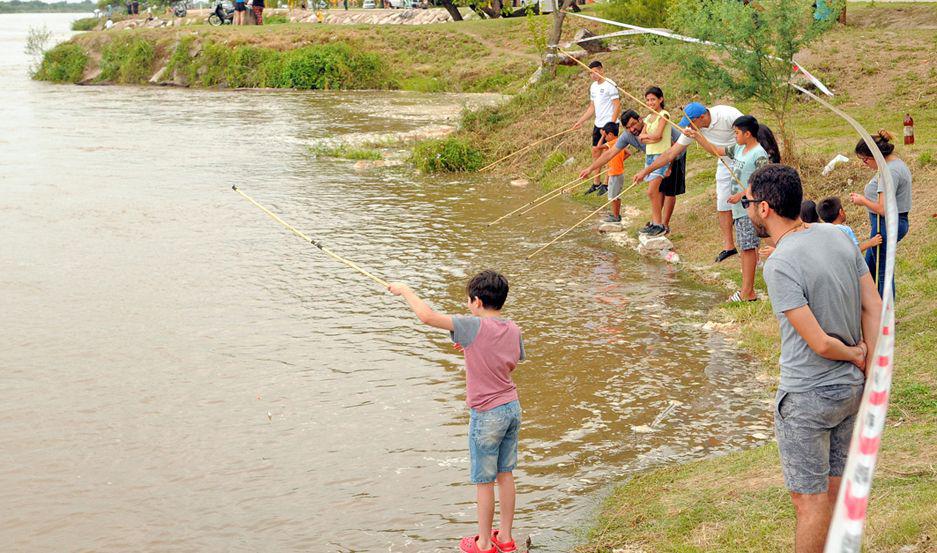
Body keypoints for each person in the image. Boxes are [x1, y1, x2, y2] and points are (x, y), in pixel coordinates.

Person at [745, 164, 881, 553]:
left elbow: (820, 343)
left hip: (807, 397)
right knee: (834, 490)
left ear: (767, 208)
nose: (748, 209)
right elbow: (873, 305)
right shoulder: (838, 235)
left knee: (808, 501)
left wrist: (854, 353)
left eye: (751, 203)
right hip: (850, 392)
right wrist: (867, 367)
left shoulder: (779, 264)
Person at [388, 271, 525, 553]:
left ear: (476, 301)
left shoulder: (470, 325)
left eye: (468, 301)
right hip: (511, 407)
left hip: (487, 413)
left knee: (484, 481)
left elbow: (426, 316)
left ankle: (484, 544)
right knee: (505, 474)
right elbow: (510, 359)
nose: (467, 306)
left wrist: (405, 290)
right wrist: (472, 346)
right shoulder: (513, 328)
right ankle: (507, 539)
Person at [634, 102, 744, 263]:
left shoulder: (727, 113)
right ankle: (729, 247)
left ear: (702, 117)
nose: (689, 127)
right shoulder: (693, 129)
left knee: (749, 200)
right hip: (724, 161)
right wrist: (646, 171)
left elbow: (752, 130)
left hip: (743, 157)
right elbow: (670, 153)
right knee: (722, 203)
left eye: (691, 123)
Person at [685, 115, 772, 302]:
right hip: (739, 210)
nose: (735, 136)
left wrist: (741, 195)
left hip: (750, 209)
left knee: (748, 248)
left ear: (748, 134)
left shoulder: (759, 154)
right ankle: (746, 290)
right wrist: (697, 136)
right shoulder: (739, 148)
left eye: (737, 133)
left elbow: (762, 181)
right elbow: (716, 150)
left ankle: (747, 293)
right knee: (745, 248)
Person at [578, 109, 687, 235]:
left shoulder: (652, 125)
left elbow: (672, 145)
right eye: (628, 127)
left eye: (633, 124)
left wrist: (670, 166)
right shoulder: (627, 135)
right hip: (656, 157)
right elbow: (609, 153)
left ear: (640, 119)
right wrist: (590, 169)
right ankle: (657, 223)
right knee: (656, 189)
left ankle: (664, 225)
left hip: (675, 153)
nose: (632, 129)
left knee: (668, 190)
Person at [848, 130, 912, 297]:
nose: (864, 164)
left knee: (882, 271)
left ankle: (886, 316)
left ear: (874, 155)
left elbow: (883, 209)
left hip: (887, 225)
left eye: (865, 159)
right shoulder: (894, 164)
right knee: (869, 267)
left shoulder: (889, 172)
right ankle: (871, 310)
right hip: (885, 224)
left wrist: (863, 201)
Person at [571, 61, 621, 195]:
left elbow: (617, 105)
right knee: (595, 151)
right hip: (598, 124)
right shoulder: (593, 87)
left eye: (595, 72)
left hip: (610, 124)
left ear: (601, 70)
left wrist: (611, 125)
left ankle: (606, 183)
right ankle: (596, 182)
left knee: (608, 154)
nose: (593, 75)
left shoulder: (610, 84)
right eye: (591, 73)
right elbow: (592, 107)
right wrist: (580, 121)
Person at [635, 86, 672, 236]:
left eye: (653, 99)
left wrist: (648, 137)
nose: (650, 103)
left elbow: (657, 136)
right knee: (653, 192)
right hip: (649, 157)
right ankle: (655, 222)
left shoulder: (664, 114)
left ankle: (659, 224)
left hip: (661, 156)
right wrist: (650, 138)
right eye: (648, 100)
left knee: (652, 191)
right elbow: (640, 138)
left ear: (660, 99)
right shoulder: (648, 118)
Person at [817, 196, 883, 253]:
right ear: (841, 212)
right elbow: (855, 250)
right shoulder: (845, 230)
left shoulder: (824, 232)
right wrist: (871, 242)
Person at [596, 122, 629, 223]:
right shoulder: (620, 142)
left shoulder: (611, 143)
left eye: (605, 136)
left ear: (610, 134)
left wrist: (601, 136)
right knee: (616, 196)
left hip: (614, 174)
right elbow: (629, 153)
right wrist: (619, 160)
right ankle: (616, 214)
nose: (605, 137)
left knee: (612, 196)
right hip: (619, 173)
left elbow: (598, 146)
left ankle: (615, 216)